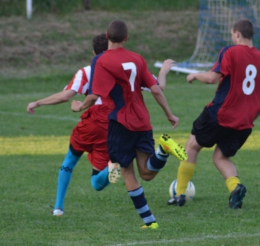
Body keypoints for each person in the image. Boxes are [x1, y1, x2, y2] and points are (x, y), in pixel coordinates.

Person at [26, 33, 178, 216]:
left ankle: (58, 207)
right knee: (98, 182)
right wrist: (163, 72)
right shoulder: (130, 65)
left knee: (70, 159)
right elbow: (157, 88)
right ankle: (113, 166)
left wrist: (39, 102)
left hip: (93, 122)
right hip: (117, 125)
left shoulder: (87, 71)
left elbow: (66, 95)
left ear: (94, 52)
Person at [71, 19, 187, 229]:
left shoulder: (101, 60)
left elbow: (95, 93)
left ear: (107, 36)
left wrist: (80, 106)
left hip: (119, 122)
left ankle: (149, 222)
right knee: (146, 173)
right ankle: (163, 149)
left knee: (127, 173)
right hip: (142, 121)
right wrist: (170, 114)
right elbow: (155, 89)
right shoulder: (138, 59)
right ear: (126, 38)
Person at [167, 19, 260, 209]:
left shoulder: (230, 51)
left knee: (192, 145)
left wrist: (194, 75)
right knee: (220, 157)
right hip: (244, 123)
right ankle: (236, 187)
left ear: (236, 34)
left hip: (221, 114)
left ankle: (180, 194)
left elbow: (211, 78)